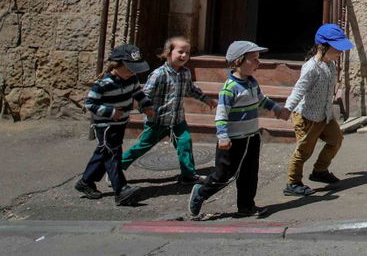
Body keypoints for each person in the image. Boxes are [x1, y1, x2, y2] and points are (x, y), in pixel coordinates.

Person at [189, 41, 292, 219]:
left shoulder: (252, 83)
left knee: (249, 173)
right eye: (253, 60)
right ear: (238, 61)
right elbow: (221, 114)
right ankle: (201, 192)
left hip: (251, 137)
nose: (258, 64)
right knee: (224, 174)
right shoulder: (229, 88)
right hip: (233, 140)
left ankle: (246, 206)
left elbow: (262, 100)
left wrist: (277, 109)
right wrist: (222, 136)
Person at [121, 35, 216, 188]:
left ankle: (188, 175)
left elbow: (191, 89)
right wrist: (145, 108)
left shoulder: (185, 73)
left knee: (185, 143)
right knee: (142, 147)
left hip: (177, 120)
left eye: (187, 52)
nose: (184, 55)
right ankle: (117, 168)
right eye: (180, 52)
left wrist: (205, 99)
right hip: (158, 121)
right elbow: (145, 95)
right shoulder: (158, 74)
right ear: (168, 53)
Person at [75, 44, 156, 205]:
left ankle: (85, 182)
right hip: (105, 126)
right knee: (113, 155)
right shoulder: (103, 84)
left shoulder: (131, 79)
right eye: (129, 69)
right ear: (116, 65)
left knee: (103, 154)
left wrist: (146, 105)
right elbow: (90, 104)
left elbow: (138, 94)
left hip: (120, 123)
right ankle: (121, 190)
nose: (132, 73)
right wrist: (111, 112)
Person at [284, 24, 354, 197]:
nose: (340, 52)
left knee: (336, 139)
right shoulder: (311, 68)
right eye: (337, 48)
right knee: (304, 151)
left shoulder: (330, 65)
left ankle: (319, 171)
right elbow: (298, 90)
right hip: (307, 117)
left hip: (325, 115)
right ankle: (292, 182)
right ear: (322, 47)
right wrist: (287, 108)